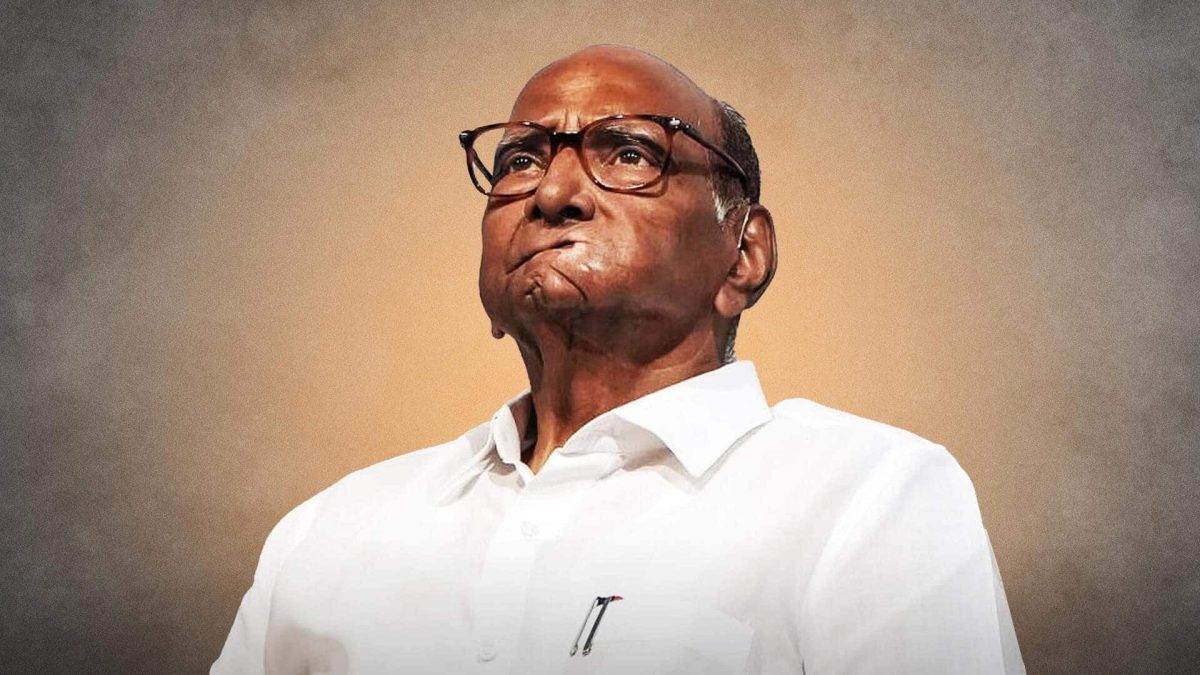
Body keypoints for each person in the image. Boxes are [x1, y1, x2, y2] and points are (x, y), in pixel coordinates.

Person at [212, 45, 1023, 674]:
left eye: (630, 151)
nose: (551, 193)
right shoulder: (327, 532)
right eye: (519, 160)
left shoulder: (868, 498)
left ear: (744, 253)